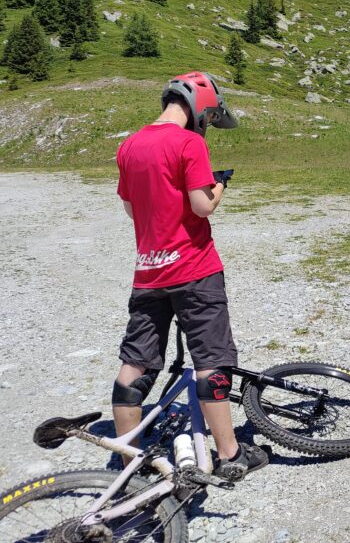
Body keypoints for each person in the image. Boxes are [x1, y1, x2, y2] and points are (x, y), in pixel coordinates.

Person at [113, 71, 268, 480]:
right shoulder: (189, 143)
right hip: (195, 269)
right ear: (200, 106)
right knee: (211, 359)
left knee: (136, 364)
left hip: (148, 272)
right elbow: (202, 206)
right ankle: (231, 454)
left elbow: (131, 209)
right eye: (211, 117)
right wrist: (218, 187)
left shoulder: (129, 145)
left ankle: (131, 462)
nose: (209, 125)